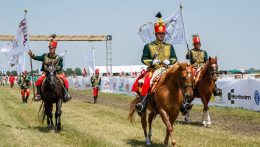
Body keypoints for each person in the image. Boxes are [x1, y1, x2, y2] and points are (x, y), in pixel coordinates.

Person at [133, 12, 177, 116]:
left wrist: (169, 61)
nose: (161, 35)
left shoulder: (169, 46)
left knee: (180, 80)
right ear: (156, 34)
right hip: (154, 70)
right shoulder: (148, 46)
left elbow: (174, 58)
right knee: (147, 82)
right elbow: (143, 59)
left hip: (167, 69)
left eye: (163, 34)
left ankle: (183, 105)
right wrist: (152, 62)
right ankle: (142, 104)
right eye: (159, 34)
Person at [28, 34, 71, 102]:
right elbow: (37, 57)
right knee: (39, 80)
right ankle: (38, 94)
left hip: (57, 73)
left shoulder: (59, 58)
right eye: (50, 48)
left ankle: (66, 94)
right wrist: (31, 55)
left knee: (65, 80)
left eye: (52, 48)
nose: (51, 49)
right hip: (46, 73)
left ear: (55, 48)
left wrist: (54, 69)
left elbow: (60, 66)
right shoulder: (45, 56)